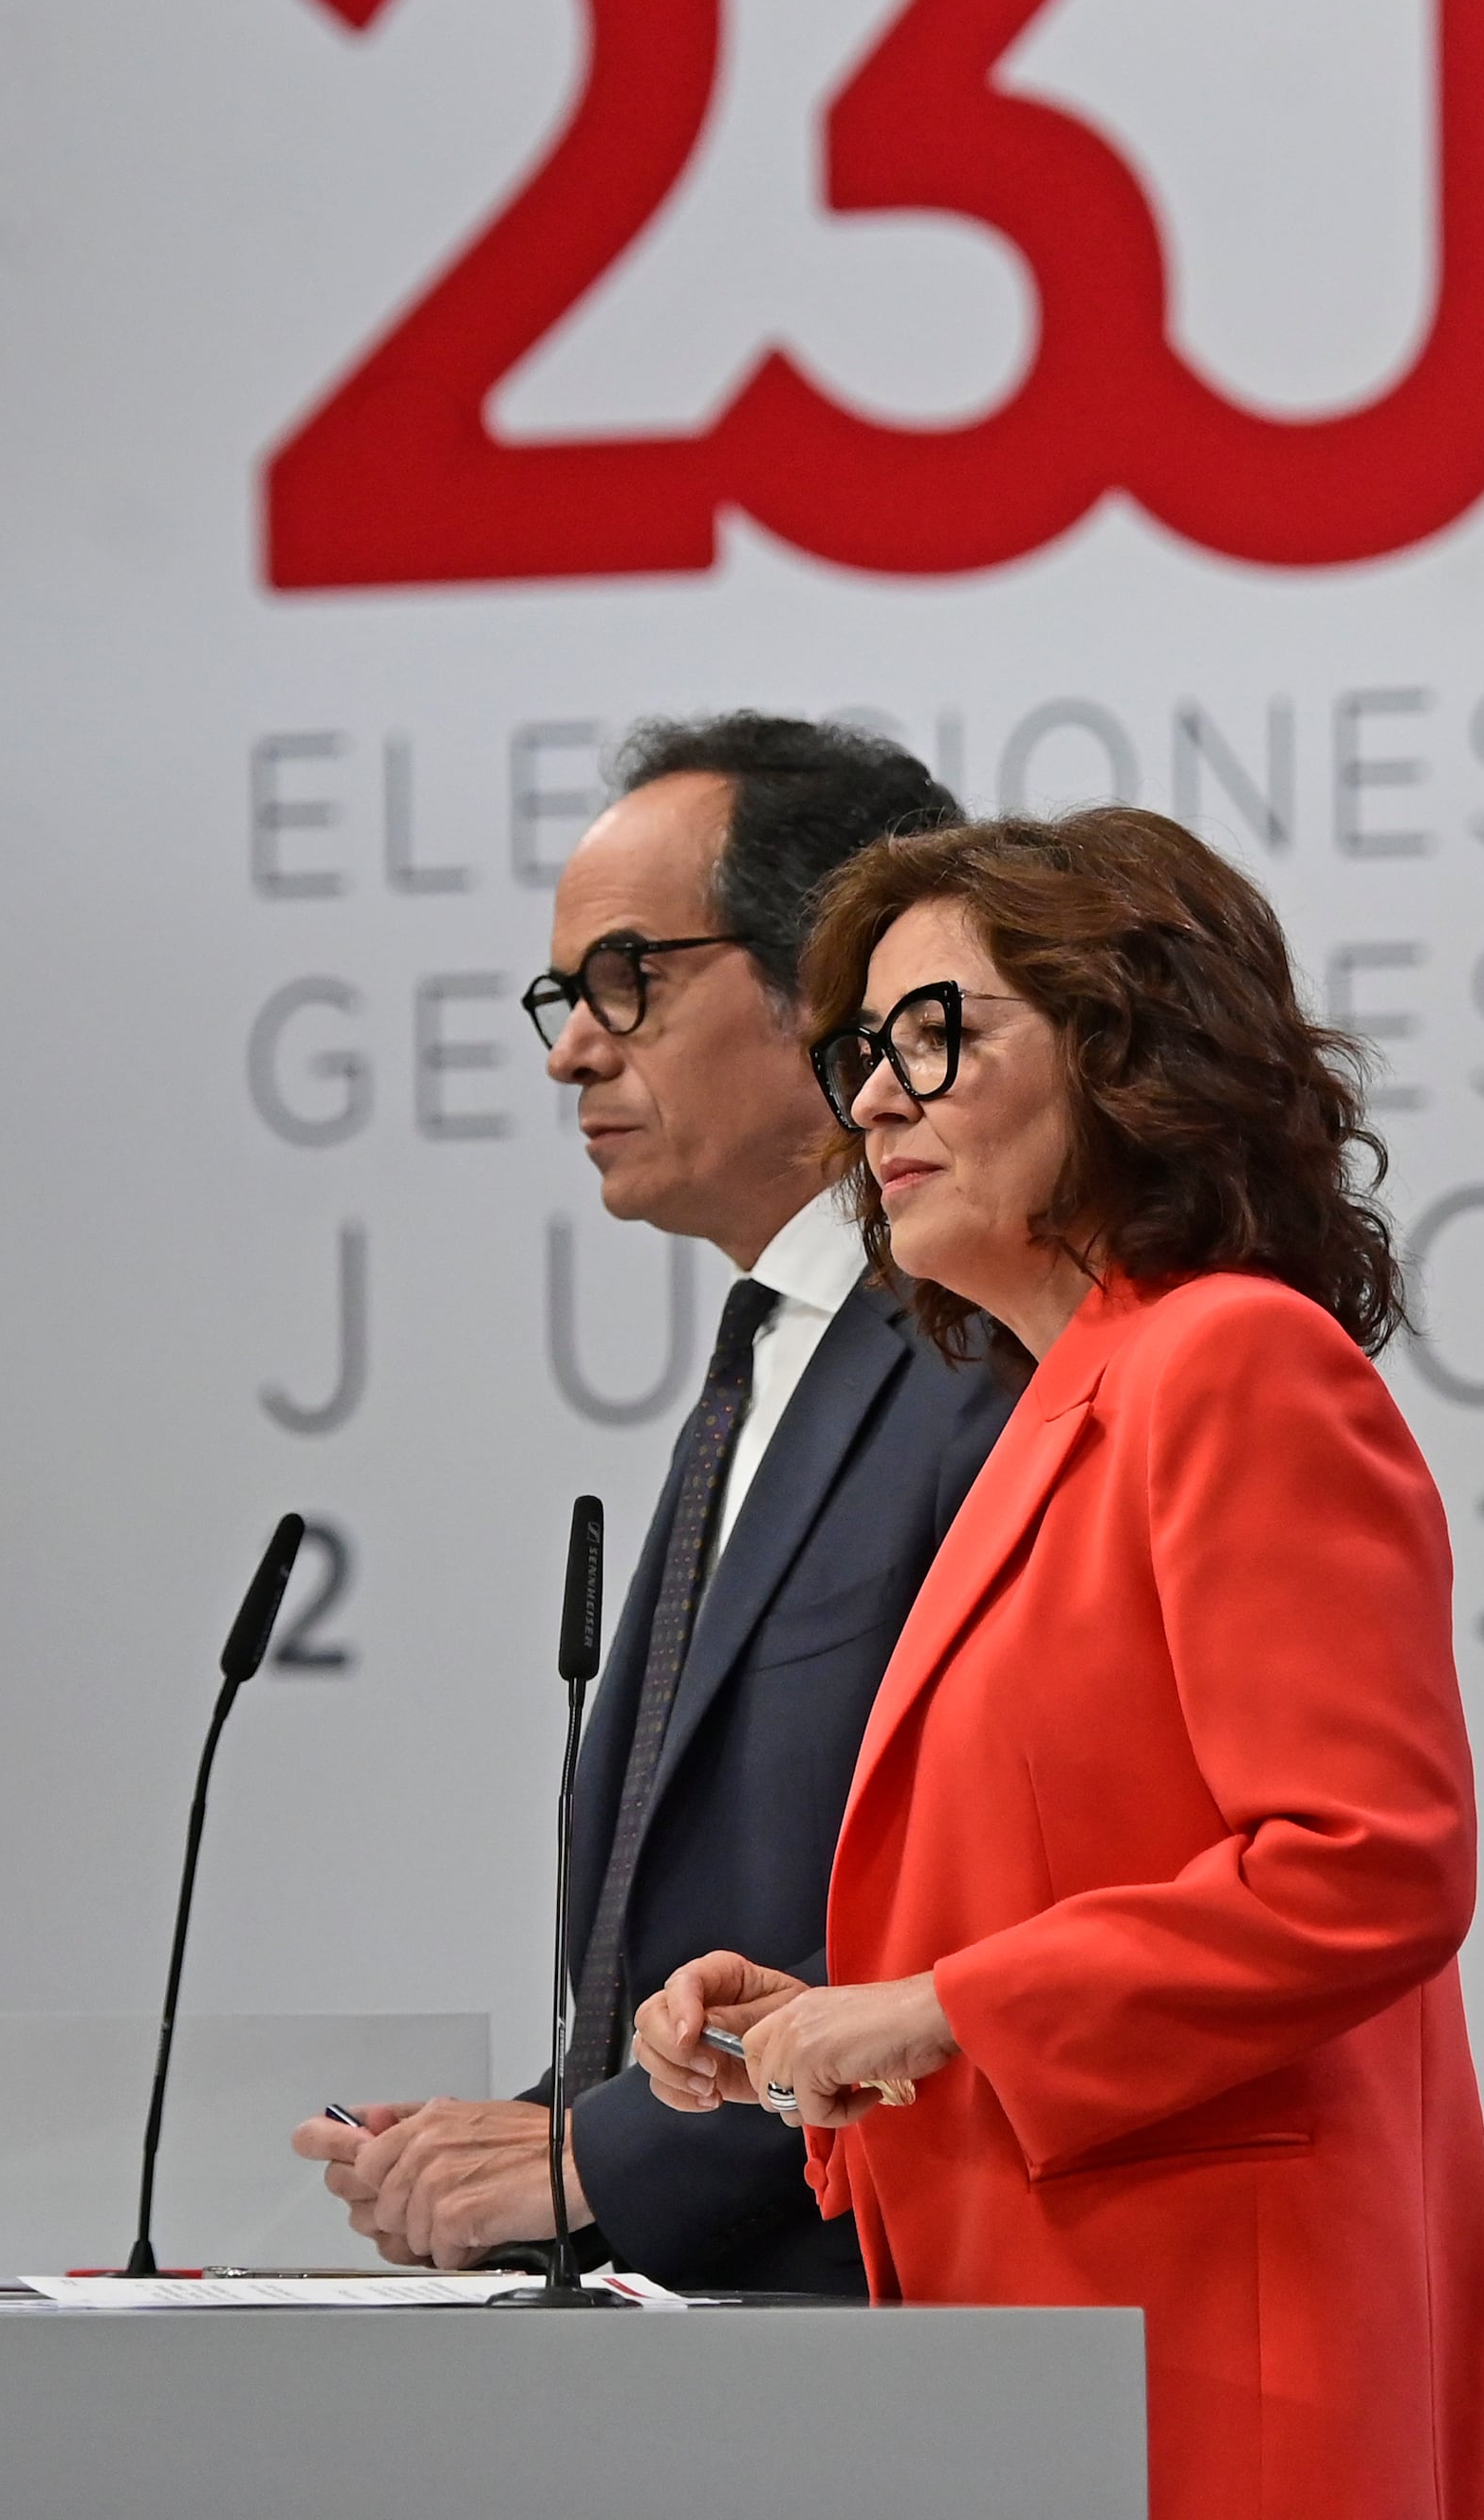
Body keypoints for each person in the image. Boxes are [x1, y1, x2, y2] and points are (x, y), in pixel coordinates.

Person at [634, 807, 1484, 2520]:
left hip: (1215, 2363)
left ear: (1126, 1050)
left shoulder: (1235, 1360)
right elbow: (1071, 1888)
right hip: (1051, 2353)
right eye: (857, 1054)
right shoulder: (1060, 1408)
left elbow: (1368, 1863)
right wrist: (815, 2019)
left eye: (931, 1036)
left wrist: (942, 2004)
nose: (872, 1100)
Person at [293, 715, 1019, 2294]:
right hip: (706, 2321)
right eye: (566, 994)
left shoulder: (990, 1354)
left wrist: (600, 2159)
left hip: (908, 2316)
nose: (572, 1047)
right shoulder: (767, 1352)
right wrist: (546, 2139)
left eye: (630, 976)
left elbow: (1012, 1913)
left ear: (832, 988)